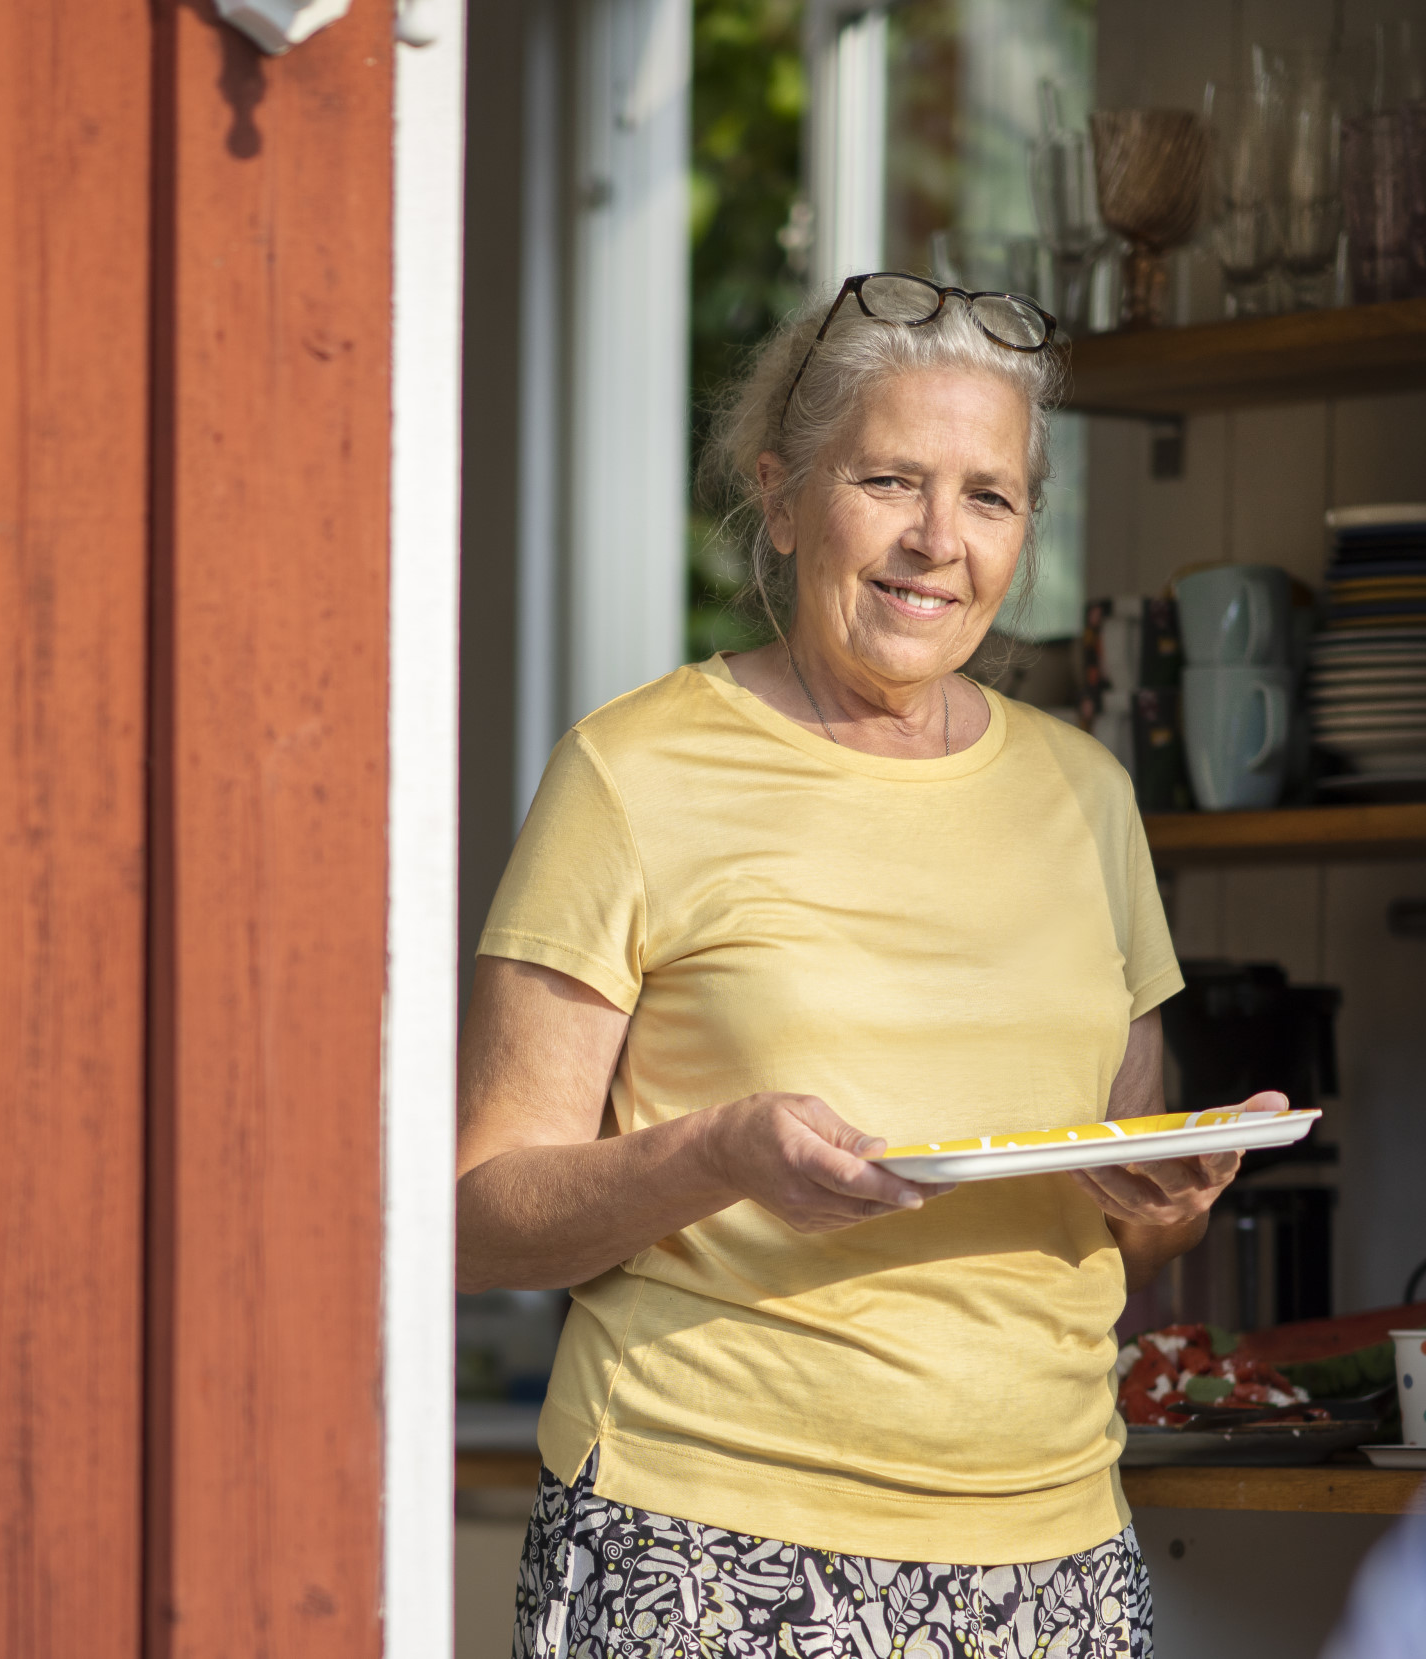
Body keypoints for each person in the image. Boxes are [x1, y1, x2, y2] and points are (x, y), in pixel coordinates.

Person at [459, 273, 1280, 1658]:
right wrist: (716, 1153)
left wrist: (1173, 1187)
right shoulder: (633, 769)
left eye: (989, 496)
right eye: (889, 480)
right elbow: (478, 1218)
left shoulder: (1084, 795)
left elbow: (1128, 1216)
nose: (935, 542)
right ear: (782, 501)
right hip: (704, 1540)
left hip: (1055, 1553)